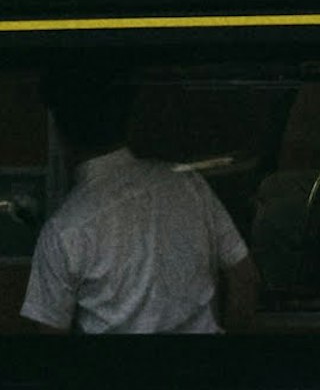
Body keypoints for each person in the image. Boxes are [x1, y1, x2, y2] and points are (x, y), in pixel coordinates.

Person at [18, 58, 251, 340]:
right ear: (128, 117)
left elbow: (51, 343)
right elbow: (245, 281)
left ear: (60, 131)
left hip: (117, 382)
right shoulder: (188, 185)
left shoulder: (63, 231)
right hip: (202, 376)